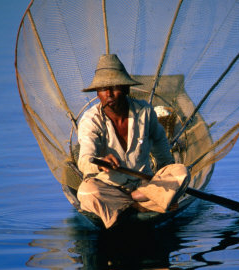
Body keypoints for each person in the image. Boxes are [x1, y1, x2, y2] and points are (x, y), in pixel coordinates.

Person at [77, 54, 190, 229]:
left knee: (181, 172)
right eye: (102, 89)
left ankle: (130, 205)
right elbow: (84, 159)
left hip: (143, 186)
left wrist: (164, 178)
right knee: (86, 192)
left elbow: (160, 142)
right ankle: (140, 205)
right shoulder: (90, 120)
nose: (109, 95)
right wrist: (101, 165)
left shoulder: (144, 111)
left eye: (114, 87)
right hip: (110, 188)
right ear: (97, 93)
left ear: (126, 89)